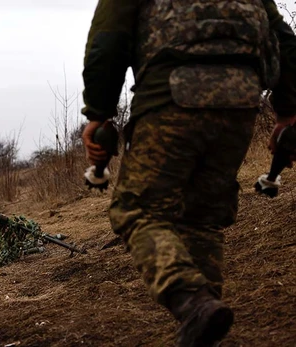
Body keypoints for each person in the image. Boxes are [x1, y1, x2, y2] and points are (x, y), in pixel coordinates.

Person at [81, 1, 296, 346]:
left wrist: (99, 113)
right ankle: (204, 321)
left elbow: (107, 42)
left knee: (137, 210)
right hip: (240, 104)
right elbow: (284, 40)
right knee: (201, 220)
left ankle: (191, 301)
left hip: (170, 98)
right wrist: (286, 113)